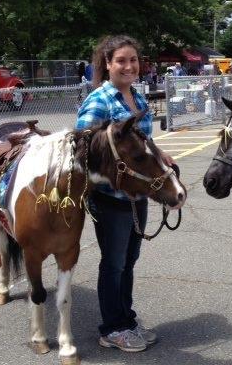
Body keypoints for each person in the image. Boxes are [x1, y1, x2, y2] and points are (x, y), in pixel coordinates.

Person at [76, 35, 175, 353]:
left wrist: (161, 155)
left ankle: (127, 319)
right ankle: (112, 328)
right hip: (111, 198)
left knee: (129, 261)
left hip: (139, 193)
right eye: (121, 60)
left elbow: (142, 142)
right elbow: (82, 151)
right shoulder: (98, 101)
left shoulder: (139, 99)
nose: (129, 66)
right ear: (107, 64)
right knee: (114, 263)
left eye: (133, 60)